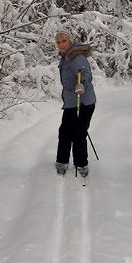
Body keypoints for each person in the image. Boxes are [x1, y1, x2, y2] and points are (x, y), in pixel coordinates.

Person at [54, 30, 95, 179]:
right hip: (72, 101)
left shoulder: (76, 56)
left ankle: (81, 164)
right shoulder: (65, 57)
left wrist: (82, 85)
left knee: (78, 133)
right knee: (65, 131)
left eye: (64, 41)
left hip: (83, 101)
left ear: (70, 41)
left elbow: (86, 74)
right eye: (58, 42)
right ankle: (62, 162)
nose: (61, 44)